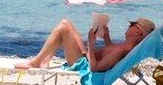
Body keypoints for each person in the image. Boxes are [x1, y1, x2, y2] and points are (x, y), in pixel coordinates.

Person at [16, 16, 155, 72]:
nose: (128, 26)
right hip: (86, 56)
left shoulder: (123, 49)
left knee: (64, 26)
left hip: (81, 63)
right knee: (67, 24)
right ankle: (45, 58)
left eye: (131, 24)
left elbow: (95, 68)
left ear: (138, 32)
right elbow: (108, 53)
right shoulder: (126, 47)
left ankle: (36, 62)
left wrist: (91, 42)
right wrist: (106, 37)